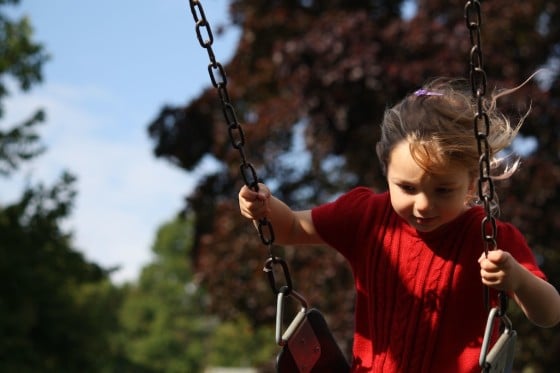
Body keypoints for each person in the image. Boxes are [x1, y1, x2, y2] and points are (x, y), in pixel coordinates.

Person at [238, 78, 560, 372]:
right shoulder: (367, 217)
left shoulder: (490, 238)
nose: (423, 204)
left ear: (472, 184)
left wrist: (516, 278)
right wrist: (263, 208)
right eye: (407, 188)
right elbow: (291, 228)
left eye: (443, 190)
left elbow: (549, 313)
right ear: (387, 173)